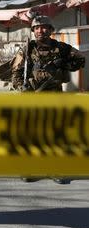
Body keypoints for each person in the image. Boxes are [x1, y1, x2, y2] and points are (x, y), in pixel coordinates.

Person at [11, 15, 86, 185]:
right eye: (37, 28)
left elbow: (80, 59)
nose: (40, 30)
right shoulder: (26, 49)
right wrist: (21, 88)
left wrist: (63, 66)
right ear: (33, 31)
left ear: (51, 30)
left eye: (44, 27)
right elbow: (15, 73)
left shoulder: (61, 48)